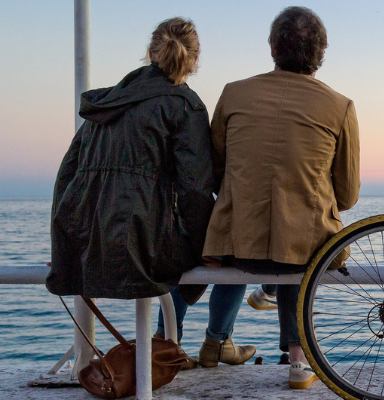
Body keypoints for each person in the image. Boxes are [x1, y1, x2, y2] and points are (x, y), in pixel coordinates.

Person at [165, 6, 360, 388]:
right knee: (301, 246)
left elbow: (214, 167)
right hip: (302, 249)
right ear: (321, 52)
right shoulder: (340, 106)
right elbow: (348, 194)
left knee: (261, 237)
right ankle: (299, 362)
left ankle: (200, 339)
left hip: (235, 244)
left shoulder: (234, 94)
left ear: (272, 47)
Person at [48, 18, 214, 302]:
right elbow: (195, 192)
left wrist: (64, 250)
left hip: (86, 245)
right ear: (195, 59)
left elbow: (66, 177)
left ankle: (167, 336)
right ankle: (210, 339)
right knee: (235, 257)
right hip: (143, 246)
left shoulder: (109, 102)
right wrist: (209, 252)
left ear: (151, 52)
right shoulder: (186, 106)